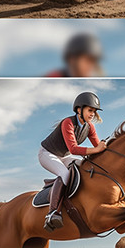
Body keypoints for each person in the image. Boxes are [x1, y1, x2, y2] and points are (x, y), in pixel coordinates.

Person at [38, 91, 106, 230]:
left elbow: (97, 147)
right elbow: (74, 149)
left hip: (64, 156)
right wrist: (97, 149)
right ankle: (52, 213)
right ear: (79, 110)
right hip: (47, 154)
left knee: (85, 167)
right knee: (65, 174)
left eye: (94, 111)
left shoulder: (89, 127)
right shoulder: (68, 123)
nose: (92, 114)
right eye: (90, 110)